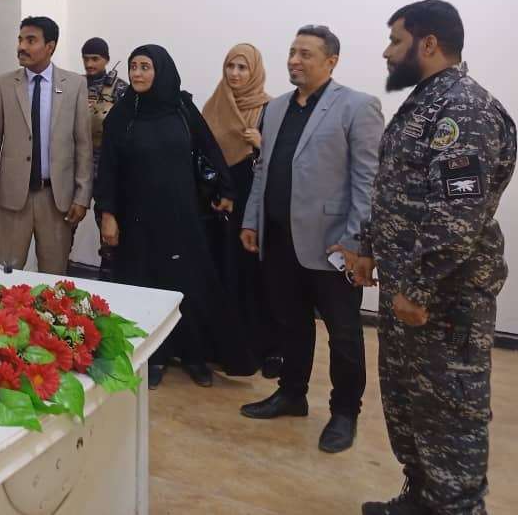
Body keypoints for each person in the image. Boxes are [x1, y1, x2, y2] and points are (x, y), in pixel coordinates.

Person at [353, 1, 515, 515]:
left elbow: (458, 214)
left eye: (395, 40)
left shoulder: (465, 110)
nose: (387, 52)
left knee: (450, 416)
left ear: (428, 44)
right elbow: (393, 187)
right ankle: (421, 498)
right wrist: (368, 248)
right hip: (408, 293)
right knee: (409, 405)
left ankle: (455, 507)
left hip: (444, 300)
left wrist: (418, 287)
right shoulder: (424, 103)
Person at [239, 25, 383, 454]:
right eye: (291, 52)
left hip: (333, 245)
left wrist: (355, 242)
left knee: (344, 333)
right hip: (280, 238)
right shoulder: (275, 108)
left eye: (305, 54)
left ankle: (345, 413)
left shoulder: (357, 106)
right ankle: (291, 394)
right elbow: (263, 169)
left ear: (331, 61)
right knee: (291, 323)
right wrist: (252, 219)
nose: (294, 60)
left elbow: (368, 182)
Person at [95, 44, 255, 388]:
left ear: (161, 71)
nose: (137, 73)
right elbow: (107, 168)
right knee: (146, 286)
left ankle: (194, 355)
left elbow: (209, 148)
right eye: (134, 66)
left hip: (183, 217)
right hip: (137, 221)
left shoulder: (182, 108)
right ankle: (155, 355)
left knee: (188, 285)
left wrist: (226, 190)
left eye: (145, 67)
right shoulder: (123, 115)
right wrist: (108, 214)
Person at [0, 17, 92, 275]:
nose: (22, 47)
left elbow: (83, 146)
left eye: (31, 40)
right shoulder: (4, 84)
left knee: (54, 278)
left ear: (50, 46)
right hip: (12, 200)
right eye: (20, 40)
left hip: (56, 201)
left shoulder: (74, 85)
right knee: (5, 276)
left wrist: (82, 196)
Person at [202, 43, 281, 378]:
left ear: (255, 71)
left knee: (253, 276)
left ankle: (259, 349)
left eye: (242, 67)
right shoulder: (213, 105)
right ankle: (222, 347)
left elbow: (285, 161)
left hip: (253, 205)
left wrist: (262, 145)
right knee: (222, 272)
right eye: (230, 66)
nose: (235, 74)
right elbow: (201, 154)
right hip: (218, 202)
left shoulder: (271, 109)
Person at [81, 36, 128, 278]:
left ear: (106, 59)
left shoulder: (120, 89)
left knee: (108, 231)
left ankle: (108, 277)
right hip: (77, 167)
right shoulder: (74, 86)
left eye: (95, 59)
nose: (90, 64)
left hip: (105, 169)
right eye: (86, 59)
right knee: (62, 230)